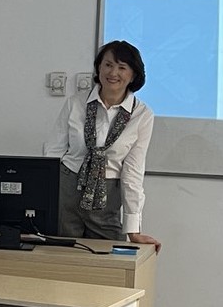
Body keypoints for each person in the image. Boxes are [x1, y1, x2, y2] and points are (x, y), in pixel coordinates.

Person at [44, 41, 161, 252]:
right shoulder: (76, 103)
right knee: (61, 259)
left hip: (107, 197)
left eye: (122, 67)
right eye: (108, 65)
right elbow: (53, 152)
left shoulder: (142, 115)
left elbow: (133, 172)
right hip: (66, 190)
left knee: (107, 261)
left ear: (133, 75)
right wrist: (44, 201)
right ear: (99, 67)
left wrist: (133, 229)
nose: (113, 73)